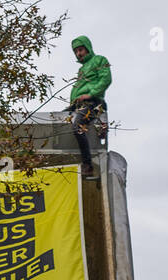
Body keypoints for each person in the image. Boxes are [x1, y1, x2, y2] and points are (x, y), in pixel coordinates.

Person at [67, 35, 111, 181]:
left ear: (87, 48)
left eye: (80, 50)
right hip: (78, 105)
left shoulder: (99, 60)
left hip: (94, 103)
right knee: (56, 120)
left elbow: (106, 79)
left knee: (77, 126)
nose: (78, 54)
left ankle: (87, 165)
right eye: (76, 52)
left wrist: (90, 94)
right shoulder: (81, 70)